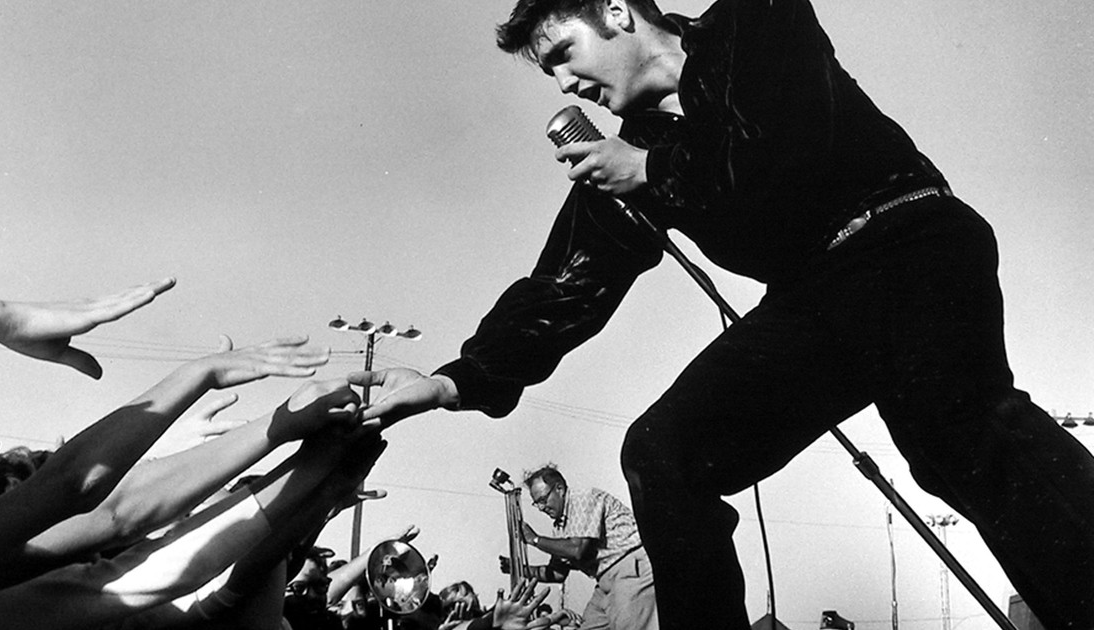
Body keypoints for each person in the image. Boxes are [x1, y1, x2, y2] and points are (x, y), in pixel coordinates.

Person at [347, 1, 1094, 628]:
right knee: (664, 454)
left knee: (962, 440)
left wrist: (651, 171)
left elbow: (772, 150)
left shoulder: (753, 23)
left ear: (617, 12)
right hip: (818, 295)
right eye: (550, 74)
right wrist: (455, 380)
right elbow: (570, 282)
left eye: (565, 54)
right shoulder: (639, 149)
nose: (566, 82)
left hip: (907, 239)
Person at [503, 466, 655, 630]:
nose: (541, 508)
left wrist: (535, 539)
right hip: (605, 581)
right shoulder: (560, 529)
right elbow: (557, 573)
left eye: (543, 500)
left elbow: (577, 549)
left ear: (559, 489)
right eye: (537, 503)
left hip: (630, 570)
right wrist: (519, 569)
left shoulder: (583, 499)